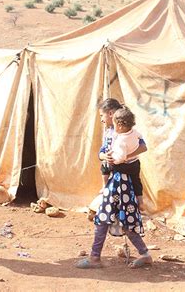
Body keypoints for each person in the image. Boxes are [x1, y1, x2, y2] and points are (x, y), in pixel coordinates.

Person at [77, 107, 152, 269]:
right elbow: (103, 153)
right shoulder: (125, 133)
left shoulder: (121, 137)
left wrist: (119, 158)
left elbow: (136, 151)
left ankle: (95, 257)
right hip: (124, 185)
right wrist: (107, 156)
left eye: (103, 115)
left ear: (114, 118)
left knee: (103, 217)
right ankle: (145, 254)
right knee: (125, 221)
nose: (102, 119)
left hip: (119, 184)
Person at [87, 99, 147, 221]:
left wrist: (126, 156)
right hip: (114, 165)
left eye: (101, 115)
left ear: (110, 114)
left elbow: (143, 147)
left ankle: (109, 215)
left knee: (123, 193)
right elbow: (102, 150)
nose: (101, 119)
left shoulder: (125, 130)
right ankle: (104, 213)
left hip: (122, 168)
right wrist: (104, 156)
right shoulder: (108, 131)